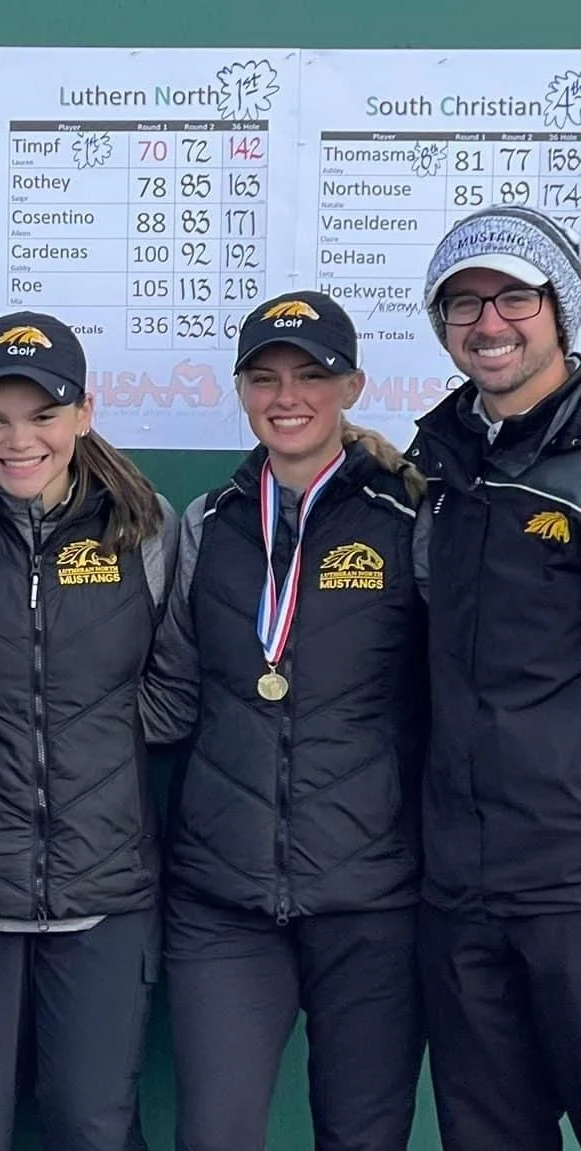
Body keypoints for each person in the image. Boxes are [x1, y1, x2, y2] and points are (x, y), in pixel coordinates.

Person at [142, 290, 427, 1150]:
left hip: (373, 896)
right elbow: (172, 692)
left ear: (352, 385)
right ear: (239, 389)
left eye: (311, 375)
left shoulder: (408, 520)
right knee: (216, 1134)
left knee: (363, 1134)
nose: (287, 395)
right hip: (222, 898)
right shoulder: (207, 524)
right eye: (264, 377)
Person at [0, 311, 175, 1151]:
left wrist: (84, 747)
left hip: (104, 896)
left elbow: (176, 691)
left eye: (43, 415)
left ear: (84, 413)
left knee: (92, 1130)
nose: (17, 440)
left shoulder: (146, 527)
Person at [405, 205, 581, 1147]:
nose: (490, 322)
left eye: (515, 295)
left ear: (559, 309)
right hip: (460, 887)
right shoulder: (435, 464)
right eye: (463, 303)